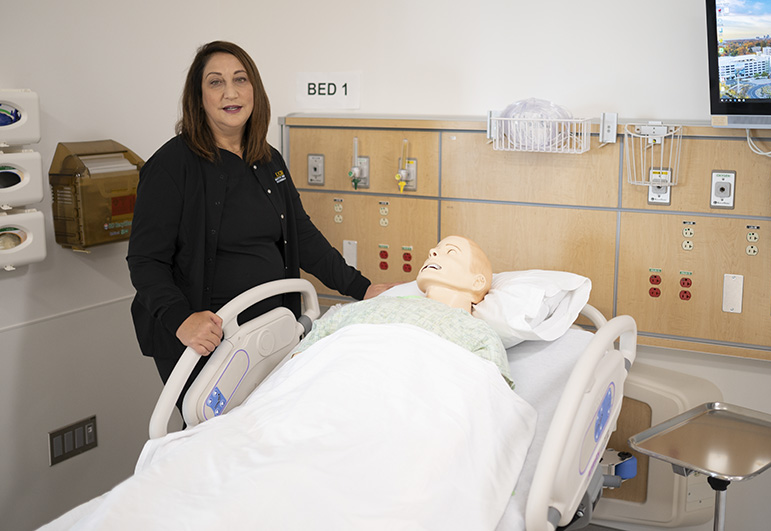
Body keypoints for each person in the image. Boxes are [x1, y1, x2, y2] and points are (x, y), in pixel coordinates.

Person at [127, 40, 385, 403]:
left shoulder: (268, 160)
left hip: (269, 330)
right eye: (215, 82)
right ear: (198, 97)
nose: (230, 92)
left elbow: (303, 236)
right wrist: (182, 320)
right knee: (219, 441)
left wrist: (362, 288)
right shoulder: (172, 167)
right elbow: (145, 260)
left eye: (240, 79)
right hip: (206, 339)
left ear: (255, 90)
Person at [292, 236, 513, 386]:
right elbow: (304, 356)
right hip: (334, 383)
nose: (433, 252)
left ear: (478, 282)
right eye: (435, 250)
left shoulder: (477, 333)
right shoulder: (372, 306)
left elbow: (490, 396)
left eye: (450, 252)